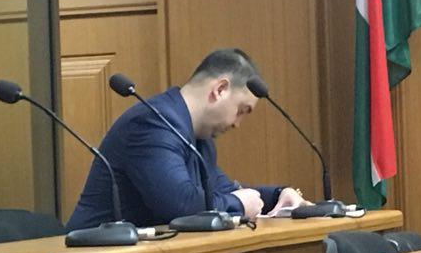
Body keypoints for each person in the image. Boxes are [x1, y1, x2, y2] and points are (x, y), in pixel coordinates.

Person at [67, 48, 307, 230]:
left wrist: (277, 196)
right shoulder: (152, 123)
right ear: (220, 89)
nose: (237, 123)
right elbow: (181, 207)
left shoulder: (199, 137)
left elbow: (221, 192)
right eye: (241, 110)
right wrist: (239, 204)